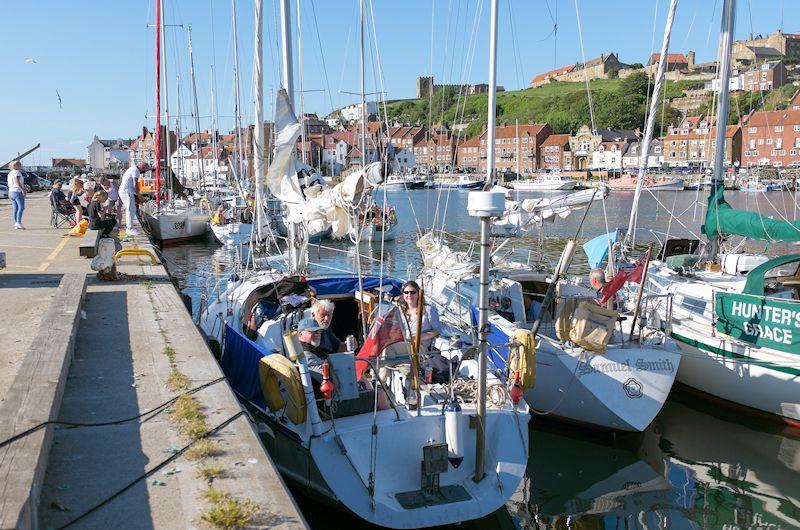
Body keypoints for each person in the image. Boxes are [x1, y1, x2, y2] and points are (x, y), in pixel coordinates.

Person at [398, 280, 440, 353]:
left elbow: (436, 331)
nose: (409, 295)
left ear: (418, 294)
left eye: (413, 292)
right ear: (403, 294)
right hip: (405, 342)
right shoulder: (401, 310)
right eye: (406, 292)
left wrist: (417, 338)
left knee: (389, 348)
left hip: (420, 346)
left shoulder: (428, 310)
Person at [119, 162, 149, 236]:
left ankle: (129, 227)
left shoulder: (132, 169)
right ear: (142, 167)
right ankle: (129, 229)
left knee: (131, 209)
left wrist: (137, 196)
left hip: (125, 191)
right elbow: (135, 184)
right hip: (127, 192)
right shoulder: (135, 170)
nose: (145, 172)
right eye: (145, 170)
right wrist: (139, 196)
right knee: (130, 210)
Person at [7, 160, 26, 229]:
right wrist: (22, 189)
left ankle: (16, 223)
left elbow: (8, 183)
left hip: (11, 192)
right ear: (16, 166)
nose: (21, 166)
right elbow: (17, 181)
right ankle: (18, 222)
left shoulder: (10, 173)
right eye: (20, 165)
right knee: (21, 207)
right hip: (17, 191)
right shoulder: (17, 172)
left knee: (15, 208)